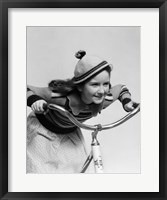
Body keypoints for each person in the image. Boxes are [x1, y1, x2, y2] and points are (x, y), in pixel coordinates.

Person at [27, 50, 139, 174]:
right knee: (38, 169)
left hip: (69, 131)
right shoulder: (60, 97)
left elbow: (121, 88)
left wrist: (127, 101)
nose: (102, 91)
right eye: (95, 84)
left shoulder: (104, 98)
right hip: (43, 130)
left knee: (77, 168)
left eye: (106, 84)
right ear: (80, 86)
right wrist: (35, 100)